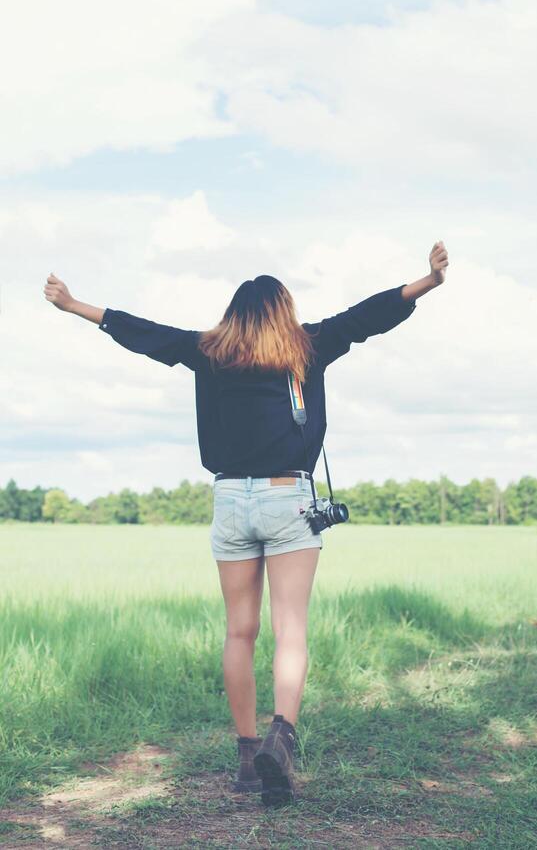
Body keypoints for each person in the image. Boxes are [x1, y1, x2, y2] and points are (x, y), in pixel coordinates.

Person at [43, 239, 449, 808]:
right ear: (284, 311)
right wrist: (427, 282)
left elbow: (143, 332)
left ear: (233, 314)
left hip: (230, 499)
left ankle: (246, 758)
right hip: (289, 498)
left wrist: (75, 305)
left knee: (239, 631)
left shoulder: (207, 351)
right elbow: (368, 316)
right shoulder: (308, 346)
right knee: (291, 631)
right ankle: (280, 741)